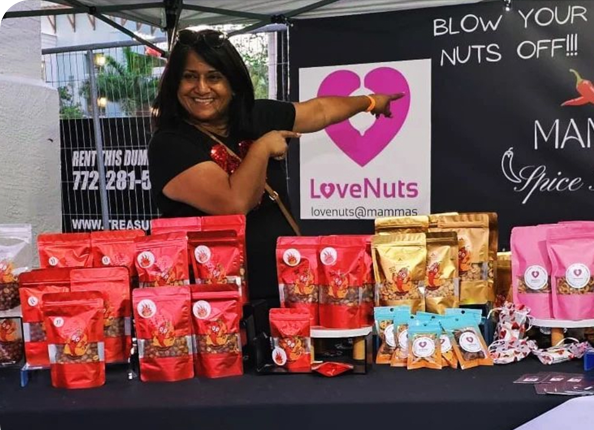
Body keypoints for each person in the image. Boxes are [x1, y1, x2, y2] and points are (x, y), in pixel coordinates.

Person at [148, 28, 404, 301]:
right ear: (175, 84)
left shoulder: (255, 116)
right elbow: (234, 203)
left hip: (286, 289)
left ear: (232, 83)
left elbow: (320, 111)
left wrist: (370, 101)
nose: (201, 88)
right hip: (215, 305)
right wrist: (262, 148)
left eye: (214, 77)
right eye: (189, 77)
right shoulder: (170, 144)